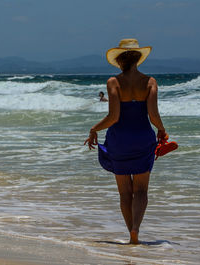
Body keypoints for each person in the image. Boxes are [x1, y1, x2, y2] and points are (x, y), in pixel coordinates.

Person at [84, 39, 168, 244]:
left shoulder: (113, 82)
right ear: (139, 58)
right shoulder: (150, 82)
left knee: (124, 192)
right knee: (141, 191)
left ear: (119, 61)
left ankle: (130, 234)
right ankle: (136, 230)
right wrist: (162, 129)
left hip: (119, 140)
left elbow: (113, 117)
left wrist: (94, 129)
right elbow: (153, 115)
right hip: (142, 139)